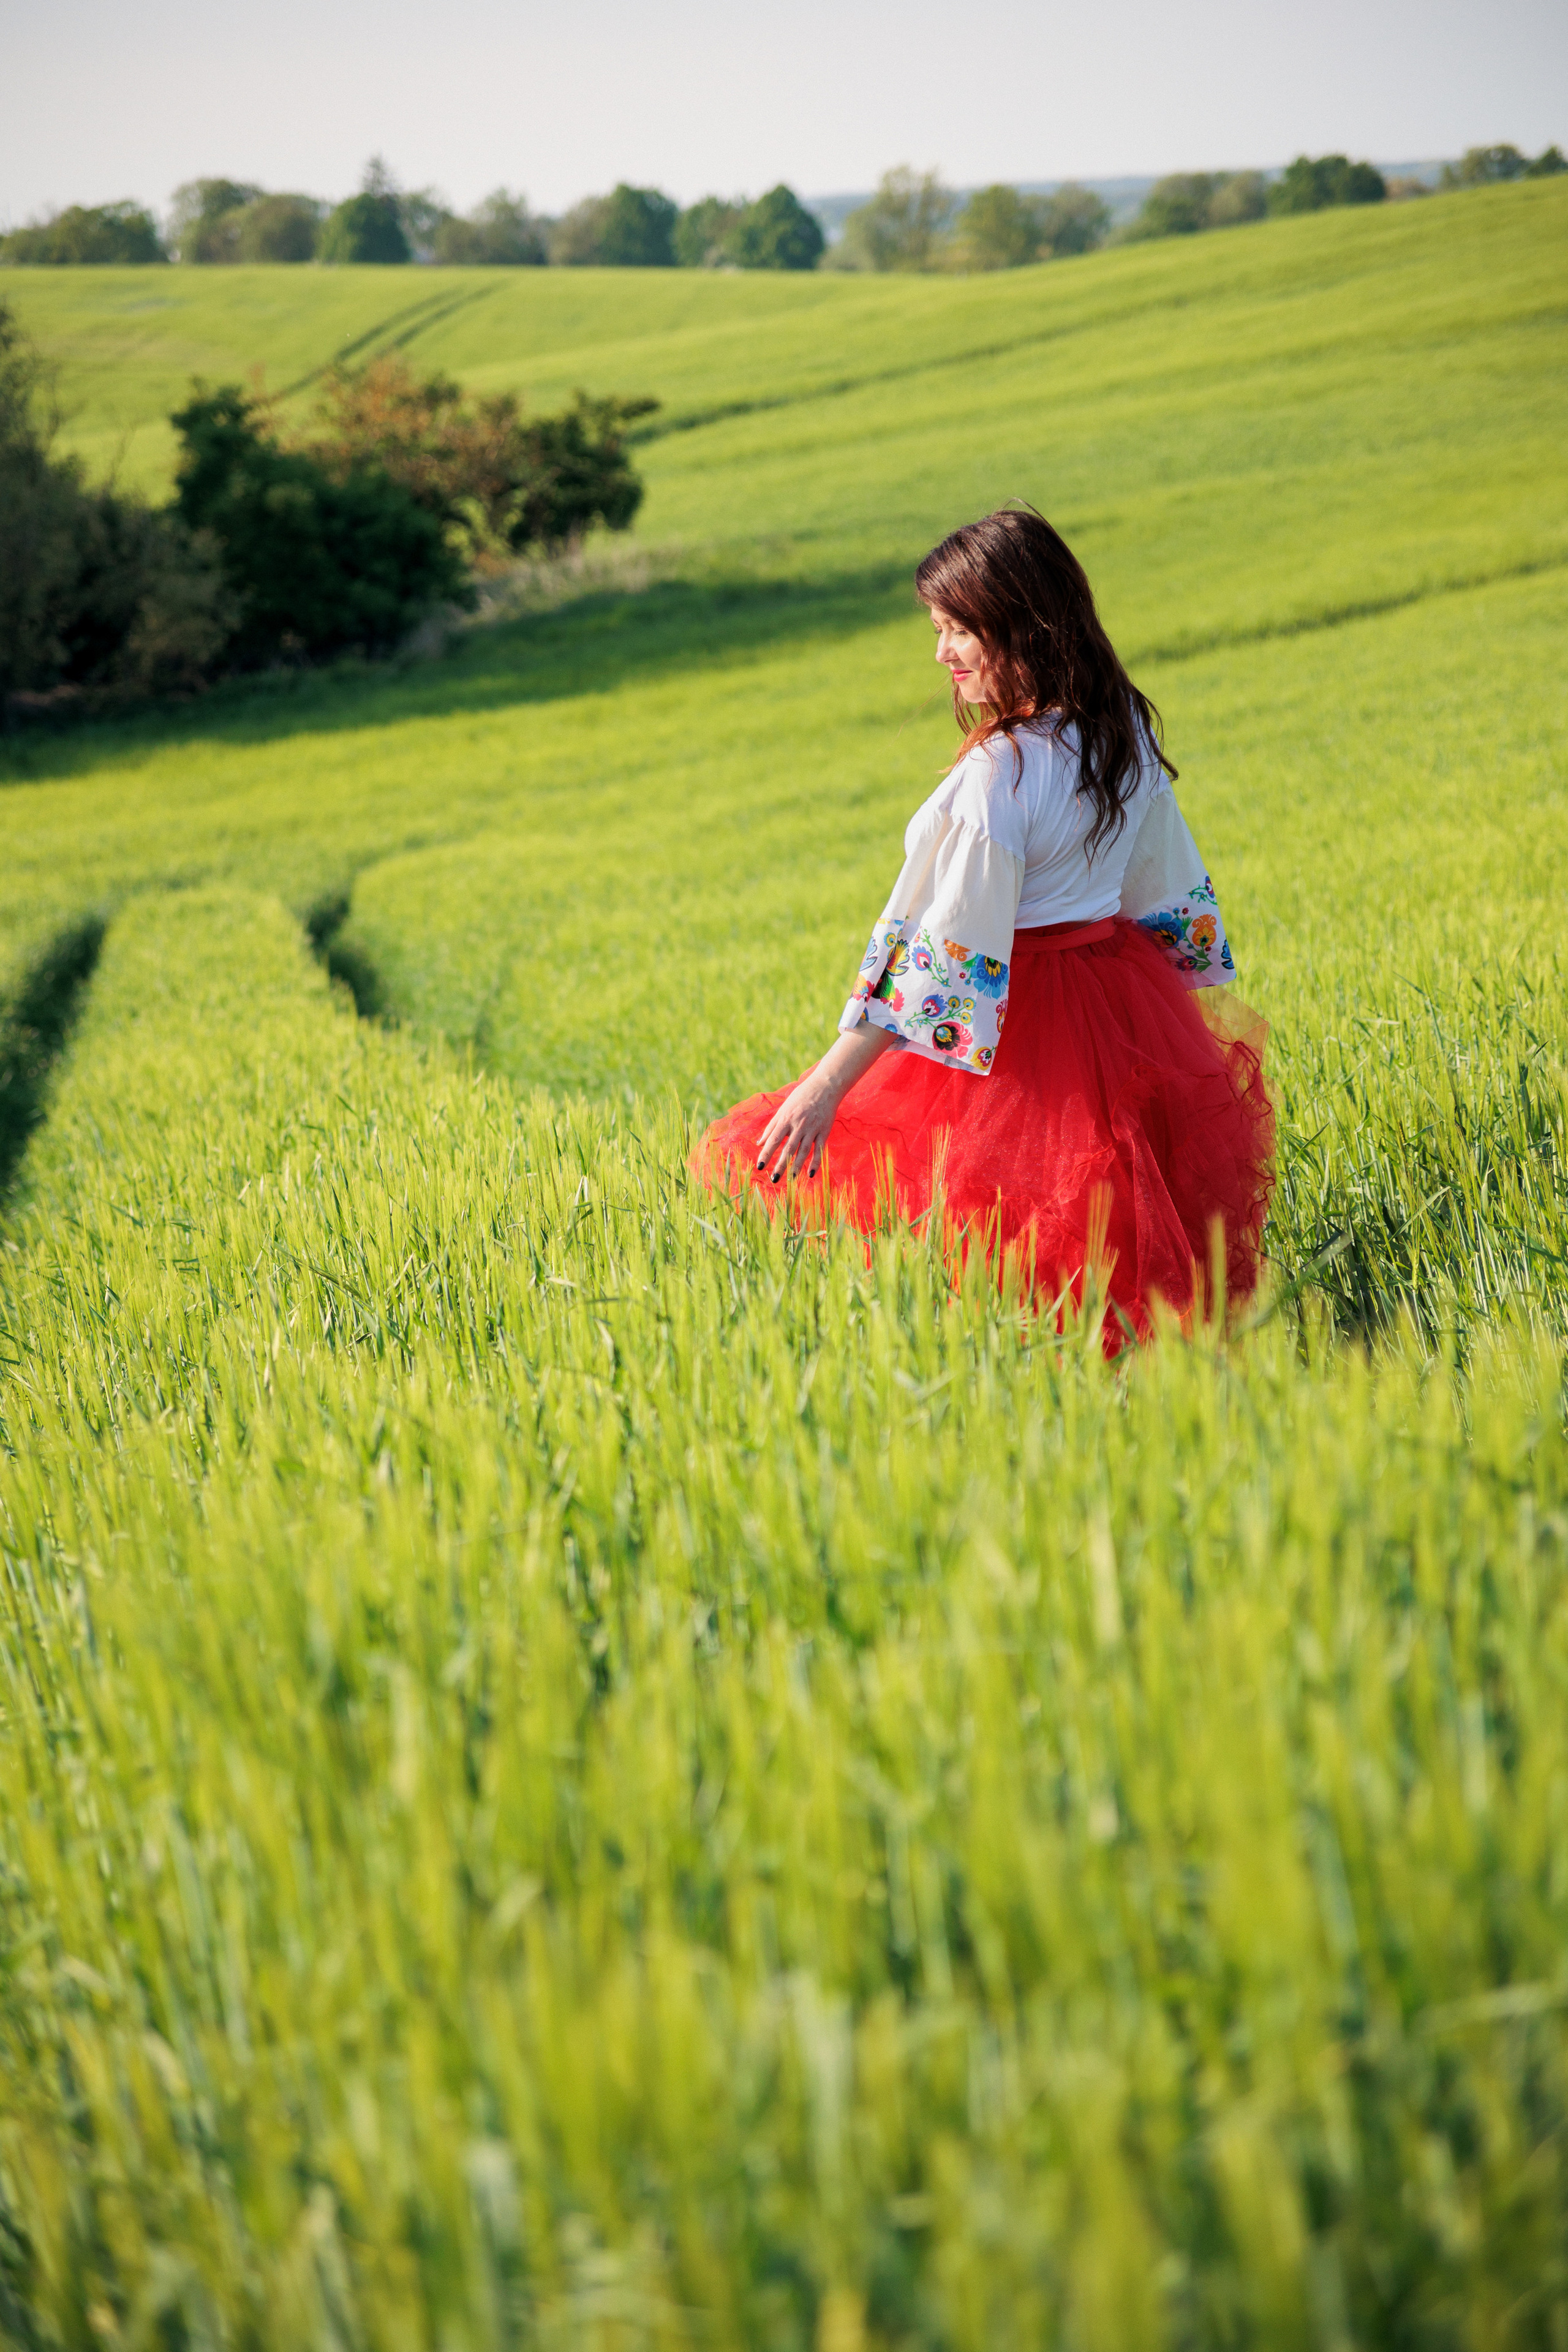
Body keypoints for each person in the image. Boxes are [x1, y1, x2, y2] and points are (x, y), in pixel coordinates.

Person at [694, 507, 1273, 1342]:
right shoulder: (1124, 734)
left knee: (1006, 1252)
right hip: (1118, 1005)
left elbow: (947, 961)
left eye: (957, 630)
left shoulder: (997, 777)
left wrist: (824, 1087)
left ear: (1021, 627)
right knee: (1112, 1248)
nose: (942, 654)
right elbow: (1161, 891)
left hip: (1021, 1031)